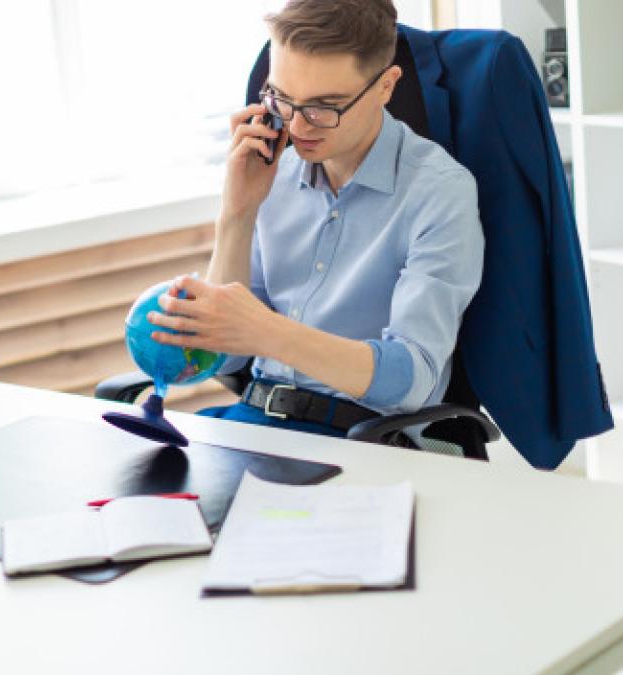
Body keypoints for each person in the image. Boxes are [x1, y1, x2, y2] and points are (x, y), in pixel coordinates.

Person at [148, 0, 484, 439]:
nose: (299, 125)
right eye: (282, 98)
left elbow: (412, 381)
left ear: (386, 86)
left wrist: (266, 332)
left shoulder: (438, 191)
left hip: (360, 438)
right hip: (257, 421)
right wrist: (237, 213)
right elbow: (224, 361)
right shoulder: (273, 175)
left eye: (325, 106)